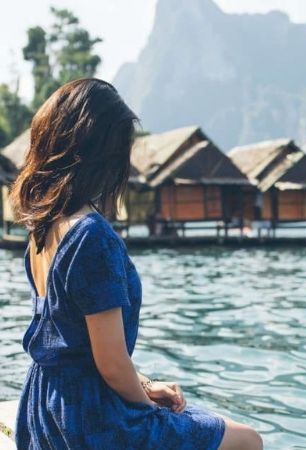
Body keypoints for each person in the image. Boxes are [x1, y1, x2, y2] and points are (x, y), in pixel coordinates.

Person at [9, 78, 263, 450]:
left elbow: (75, 345)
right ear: (104, 154)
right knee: (247, 439)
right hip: (89, 422)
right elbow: (111, 364)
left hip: (43, 409)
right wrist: (148, 406)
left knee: (212, 423)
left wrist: (144, 383)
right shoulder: (91, 235)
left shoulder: (44, 226)